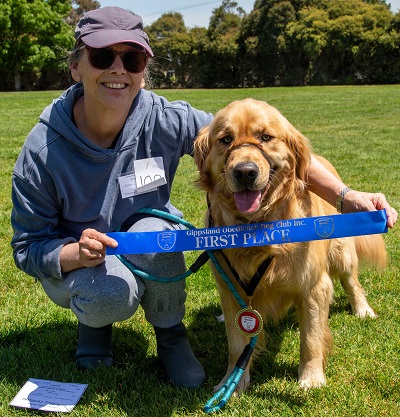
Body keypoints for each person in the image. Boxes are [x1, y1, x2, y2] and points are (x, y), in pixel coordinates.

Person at [10, 6, 397, 389]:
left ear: (144, 70)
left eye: (132, 58)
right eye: (101, 56)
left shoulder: (165, 117)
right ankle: (94, 329)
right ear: (76, 67)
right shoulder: (42, 151)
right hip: (84, 258)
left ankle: (170, 335)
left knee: (157, 231)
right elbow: (27, 246)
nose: (118, 69)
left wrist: (345, 196)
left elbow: (256, 142)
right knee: (107, 293)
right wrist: (73, 254)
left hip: (145, 239)